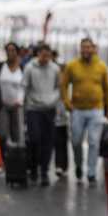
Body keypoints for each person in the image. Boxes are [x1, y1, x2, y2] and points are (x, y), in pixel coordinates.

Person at [60, 37, 108, 186]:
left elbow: (107, 89)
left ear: (93, 49)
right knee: (76, 141)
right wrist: (66, 102)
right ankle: (78, 165)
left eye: (89, 47)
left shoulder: (101, 66)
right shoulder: (72, 66)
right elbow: (63, 86)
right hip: (77, 110)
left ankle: (91, 172)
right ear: (80, 48)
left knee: (94, 142)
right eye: (83, 47)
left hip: (97, 109)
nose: (86, 50)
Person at [23, 43, 61, 184]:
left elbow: (59, 87)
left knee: (48, 141)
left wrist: (53, 99)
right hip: (33, 109)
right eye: (43, 55)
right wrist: (24, 105)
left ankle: (44, 171)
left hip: (49, 110)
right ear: (38, 54)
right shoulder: (29, 68)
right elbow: (24, 87)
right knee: (34, 139)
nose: (45, 58)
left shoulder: (55, 69)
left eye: (48, 56)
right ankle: (33, 168)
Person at [0, 41, 25, 148]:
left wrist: (21, 100)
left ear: (17, 52)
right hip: (2, 105)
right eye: (8, 50)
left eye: (13, 50)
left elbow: (25, 86)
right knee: (2, 132)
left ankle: (15, 157)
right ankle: (2, 156)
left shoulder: (23, 68)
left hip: (17, 106)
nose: (10, 52)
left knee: (16, 132)